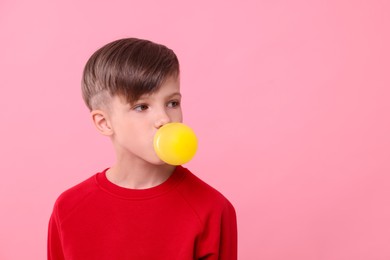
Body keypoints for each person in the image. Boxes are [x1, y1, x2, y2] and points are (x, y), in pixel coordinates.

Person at [48, 38, 237, 259]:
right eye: (142, 107)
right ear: (104, 122)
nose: (165, 118)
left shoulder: (212, 209)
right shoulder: (69, 208)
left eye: (172, 103)